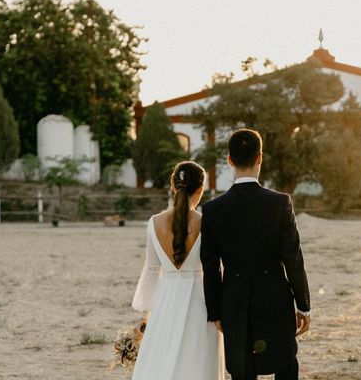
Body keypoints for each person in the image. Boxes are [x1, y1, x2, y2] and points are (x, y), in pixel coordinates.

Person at [201, 128, 311, 380]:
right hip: (275, 298)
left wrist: (215, 311)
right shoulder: (280, 203)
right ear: (260, 157)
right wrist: (303, 305)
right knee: (285, 363)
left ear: (229, 160)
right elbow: (293, 258)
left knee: (242, 371)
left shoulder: (212, 210)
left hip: (234, 302)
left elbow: (210, 266)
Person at [131, 160, 225, 380]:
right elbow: (214, 267)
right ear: (200, 189)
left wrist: (147, 313)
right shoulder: (206, 222)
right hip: (200, 301)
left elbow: (152, 269)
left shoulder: (154, 222)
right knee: (197, 360)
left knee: (163, 357)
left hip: (165, 299)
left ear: (173, 186)